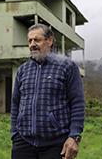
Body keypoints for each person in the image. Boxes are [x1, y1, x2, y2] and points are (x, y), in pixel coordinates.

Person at [11, 24, 84, 159]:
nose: (32, 44)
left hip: (56, 144)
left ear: (49, 41)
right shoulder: (23, 70)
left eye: (36, 40)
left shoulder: (67, 67)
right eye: (30, 41)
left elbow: (77, 103)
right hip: (23, 143)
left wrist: (74, 136)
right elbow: (15, 103)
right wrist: (14, 134)